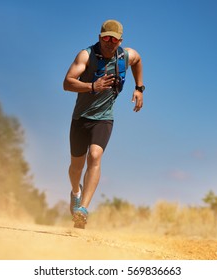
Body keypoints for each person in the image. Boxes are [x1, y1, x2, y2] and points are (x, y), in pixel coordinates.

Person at [63, 19, 145, 229]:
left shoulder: (126, 56)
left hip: (104, 118)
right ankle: (76, 193)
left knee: (95, 155)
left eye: (114, 39)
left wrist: (139, 88)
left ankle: (83, 209)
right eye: (106, 37)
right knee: (76, 167)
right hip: (81, 118)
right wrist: (92, 85)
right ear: (100, 37)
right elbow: (67, 82)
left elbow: (137, 61)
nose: (109, 42)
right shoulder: (86, 55)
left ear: (120, 41)